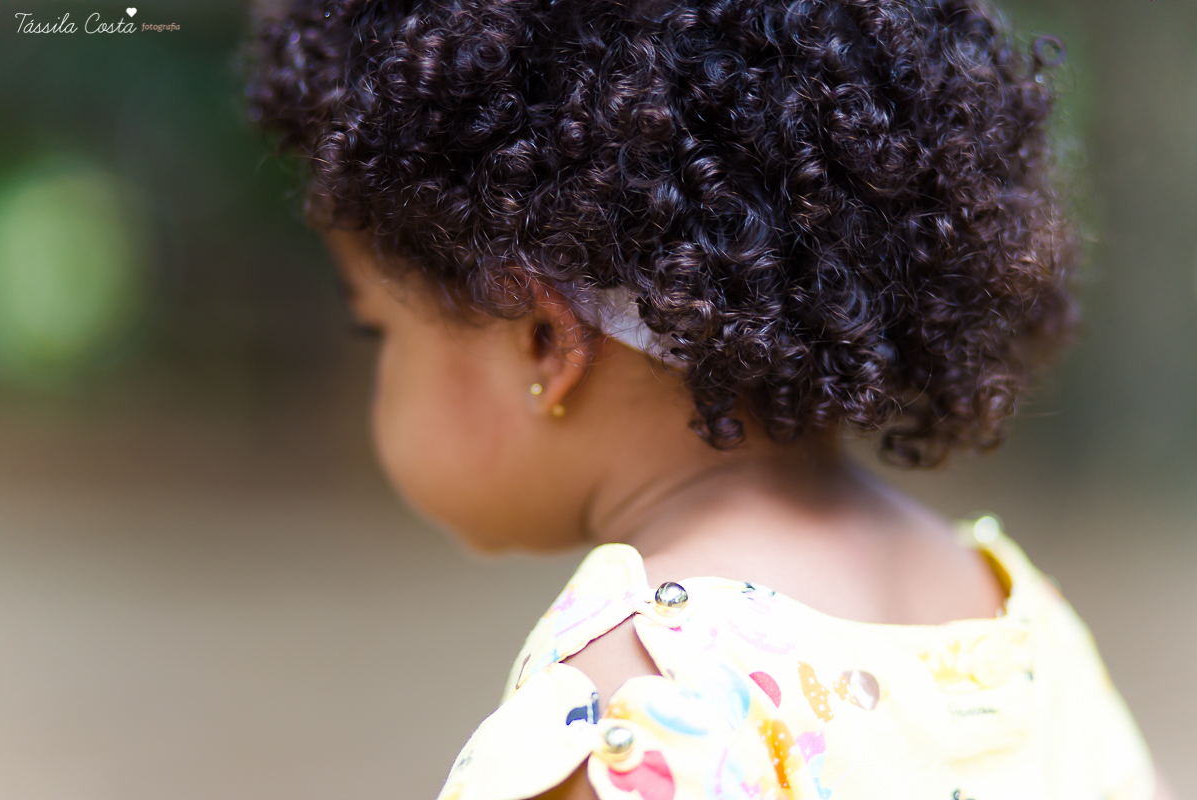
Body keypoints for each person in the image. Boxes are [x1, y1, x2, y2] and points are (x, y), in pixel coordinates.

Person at [245, 0, 1172, 797]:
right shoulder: (1023, 625)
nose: (380, 362)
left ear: (543, 340)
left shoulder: (631, 701)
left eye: (380, 328)